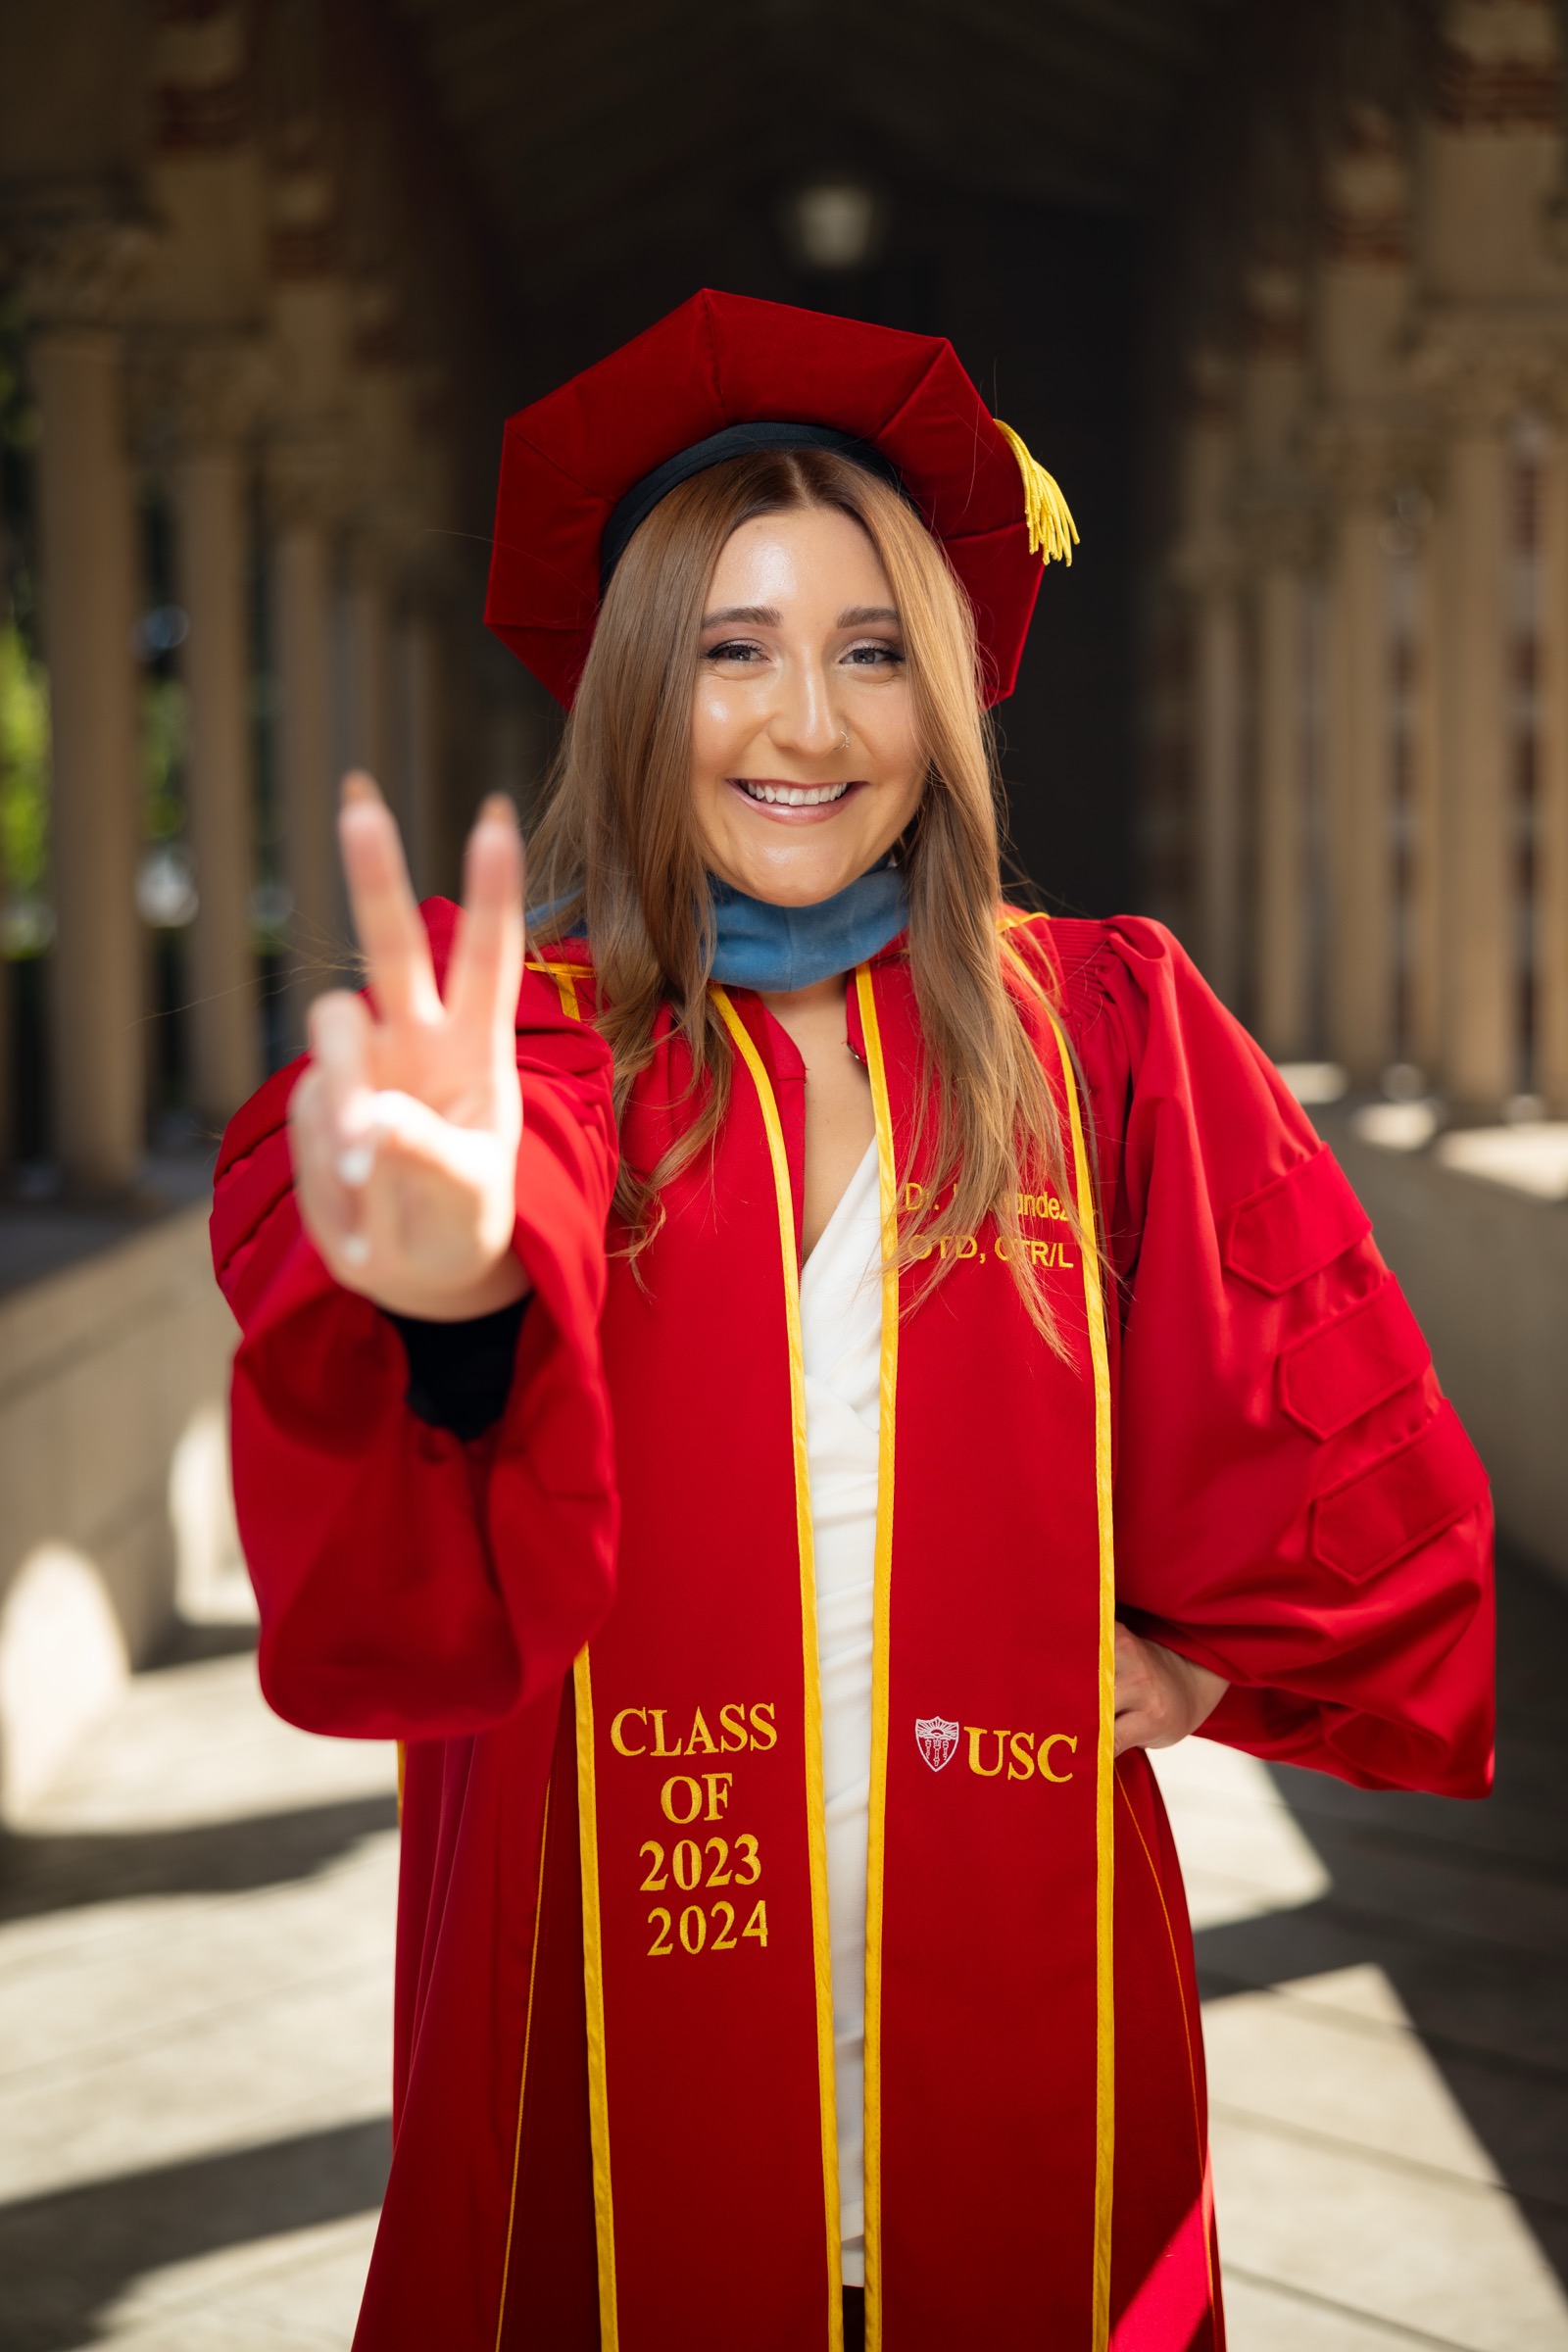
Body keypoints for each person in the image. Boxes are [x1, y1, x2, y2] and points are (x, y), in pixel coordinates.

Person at [212, 290, 1494, 2352]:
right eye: (730, 652)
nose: (804, 725)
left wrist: (1203, 1673)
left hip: (1020, 1978)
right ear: (636, 689)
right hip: (591, 2007)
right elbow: (388, 1405)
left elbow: (1344, 1438)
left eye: (869, 649)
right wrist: (445, 1299)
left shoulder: (1104, 1033)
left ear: (949, 696)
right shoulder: (528, 1055)